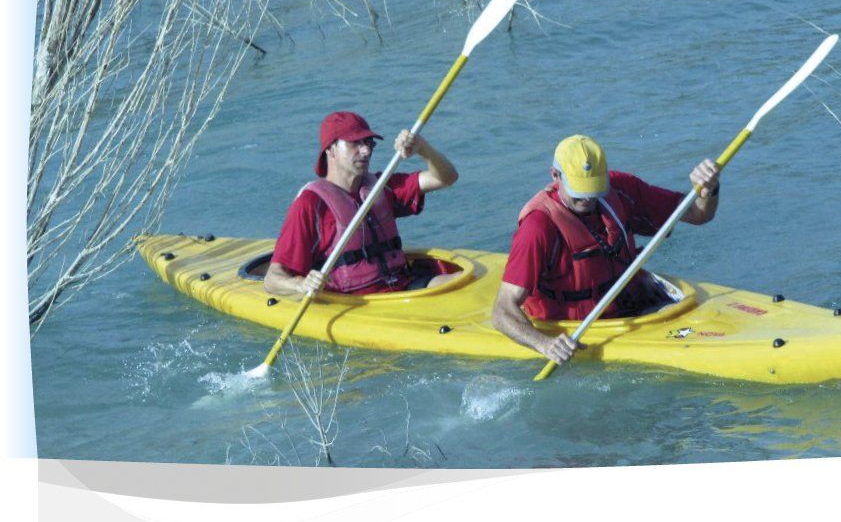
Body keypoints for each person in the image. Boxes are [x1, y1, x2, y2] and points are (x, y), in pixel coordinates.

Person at [491, 134, 721, 365]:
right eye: (580, 190)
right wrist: (545, 344)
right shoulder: (537, 227)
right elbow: (502, 312)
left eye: (595, 188)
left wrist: (708, 190)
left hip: (634, 304)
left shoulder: (620, 189)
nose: (590, 197)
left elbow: (699, 214)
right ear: (555, 175)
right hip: (581, 326)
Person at [264, 110, 459, 297]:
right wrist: (301, 284)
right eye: (355, 143)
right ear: (331, 149)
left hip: (403, 285)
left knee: (462, 283)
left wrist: (423, 149)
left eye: (368, 142)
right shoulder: (310, 204)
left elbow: (446, 178)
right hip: (357, 303)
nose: (366, 150)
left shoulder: (381, 186)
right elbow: (272, 279)